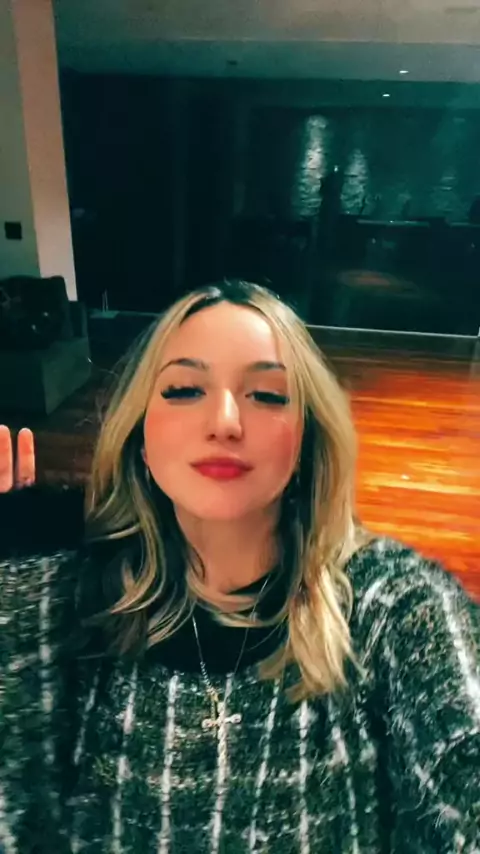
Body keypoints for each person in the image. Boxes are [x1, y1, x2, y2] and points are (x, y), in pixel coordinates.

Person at [0, 279, 478, 854]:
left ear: (306, 440)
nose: (225, 421)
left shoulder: (395, 607)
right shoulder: (60, 603)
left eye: (268, 395)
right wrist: (14, 576)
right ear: (140, 438)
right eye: (184, 389)